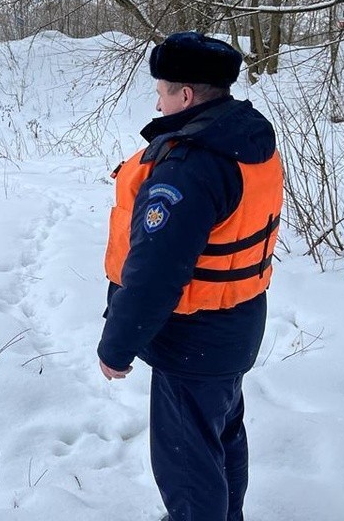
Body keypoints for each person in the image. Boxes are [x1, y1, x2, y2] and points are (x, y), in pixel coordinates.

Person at [97, 31, 283, 521]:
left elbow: (156, 273)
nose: (156, 102)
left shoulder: (188, 167)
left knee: (186, 462)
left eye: (161, 91)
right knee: (219, 438)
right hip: (235, 324)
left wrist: (117, 347)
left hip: (194, 338)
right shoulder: (245, 138)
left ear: (185, 96)